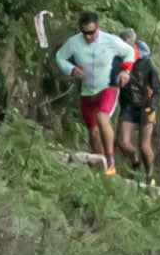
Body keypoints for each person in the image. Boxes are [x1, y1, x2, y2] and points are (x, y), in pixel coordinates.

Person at [53, 10, 133, 174]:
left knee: (102, 117)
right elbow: (60, 57)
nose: (88, 37)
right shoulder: (74, 42)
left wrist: (125, 71)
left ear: (98, 27)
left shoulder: (110, 40)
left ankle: (110, 161)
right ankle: (100, 165)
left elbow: (129, 52)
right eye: (85, 33)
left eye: (91, 32)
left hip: (108, 86)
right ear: (80, 29)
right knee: (94, 132)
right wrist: (71, 69)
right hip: (87, 91)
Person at [116, 31, 160, 177]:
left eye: (128, 43)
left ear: (133, 43)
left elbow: (158, 89)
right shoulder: (118, 62)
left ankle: (150, 176)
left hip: (146, 107)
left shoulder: (146, 64)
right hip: (128, 107)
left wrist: (151, 107)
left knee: (144, 146)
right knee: (122, 142)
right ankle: (134, 160)